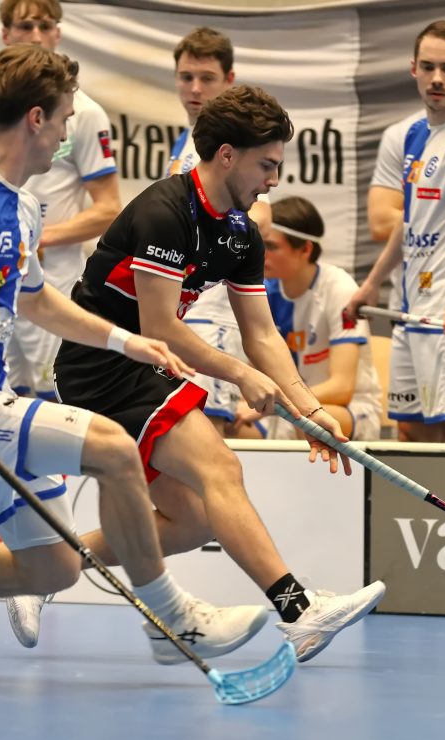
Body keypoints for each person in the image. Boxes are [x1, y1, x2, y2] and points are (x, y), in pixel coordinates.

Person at [0, 46, 272, 673]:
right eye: (68, 118)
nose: (71, 133)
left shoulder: (21, 205)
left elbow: (39, 301)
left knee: (55, 565)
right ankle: (170, 619)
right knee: (115, 449)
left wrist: (128, 342)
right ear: (37, 119)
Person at [51, 84, 387, 664]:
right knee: (221, 467)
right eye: (267, 164)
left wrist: (308, 409)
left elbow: (260, 333)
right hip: (102, 365)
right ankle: (298, 610)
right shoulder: (163, 211)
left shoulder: (240, 231)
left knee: (190, 521)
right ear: (226, 155)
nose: (274, 180)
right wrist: (239, 374)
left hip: (148, 364)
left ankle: (52, 565)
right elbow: (160, 324)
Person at [347, 20, 445, 445]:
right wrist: (372, 283)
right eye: (429, 66)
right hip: (410, 308)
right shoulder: (415, 134)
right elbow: (408, 220)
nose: (437, 78)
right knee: (409, 428)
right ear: (413, 68)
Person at [0, 0, 120, 402]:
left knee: (55, 397)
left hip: (54, 279)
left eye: (44, 26)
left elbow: (108, 208)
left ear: (58, 33)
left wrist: (34, 239)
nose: (35, 36)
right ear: (5, 35)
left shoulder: (83, 113)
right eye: (25, 25)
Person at [166, 27, 267, 438]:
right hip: (179, 316)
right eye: (186, 76)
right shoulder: (186, 140)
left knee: (207, 441)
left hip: (213, 316)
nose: (194, 88)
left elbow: (261, 216)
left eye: (206, 78)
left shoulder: (231, 144)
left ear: (229, 80)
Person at [258, 196, 382, 442]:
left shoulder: (340, 288)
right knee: (223, 425)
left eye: (271, 247)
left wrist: (278, 402)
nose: (261, 254)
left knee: (309, 424)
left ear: (305, 249)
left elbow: (342, 388)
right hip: (288, 409)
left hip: (350, 410)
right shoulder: (262, 291)